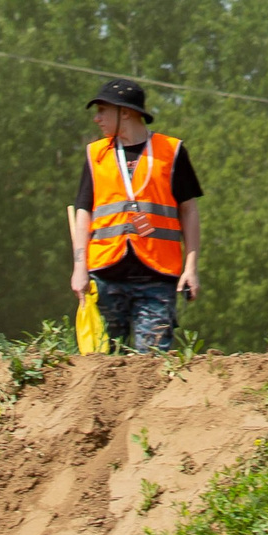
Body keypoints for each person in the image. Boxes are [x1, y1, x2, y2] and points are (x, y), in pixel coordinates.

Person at [67, 80, 203, 354]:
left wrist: (191, 268)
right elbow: (84, 212)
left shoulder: (172, 152)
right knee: (101, 362)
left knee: (152, 364)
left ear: (125, 112)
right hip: (106, 275)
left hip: (157, 277)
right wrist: (79, 267)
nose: (97, 118)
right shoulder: (96, 155)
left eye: (103, 110)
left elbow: (188, 211)